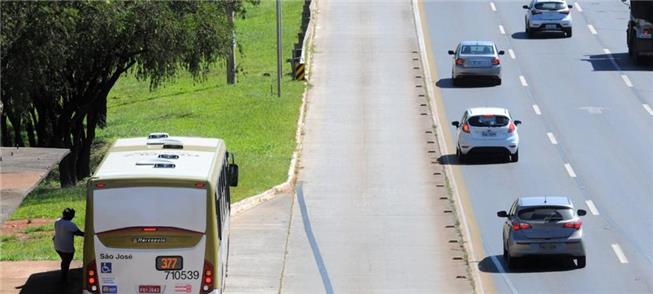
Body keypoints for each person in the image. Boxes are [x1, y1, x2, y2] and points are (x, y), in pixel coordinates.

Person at [53, 208, 84, 283]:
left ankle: (64, 277)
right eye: (72, 216)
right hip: (66, 248)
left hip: (57, 245)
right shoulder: (70, 224)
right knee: (66, 262)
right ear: (70, 216)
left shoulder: (57, 221)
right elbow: (80, 233)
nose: (73, 217)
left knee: (64, 261)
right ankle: (64, 279)